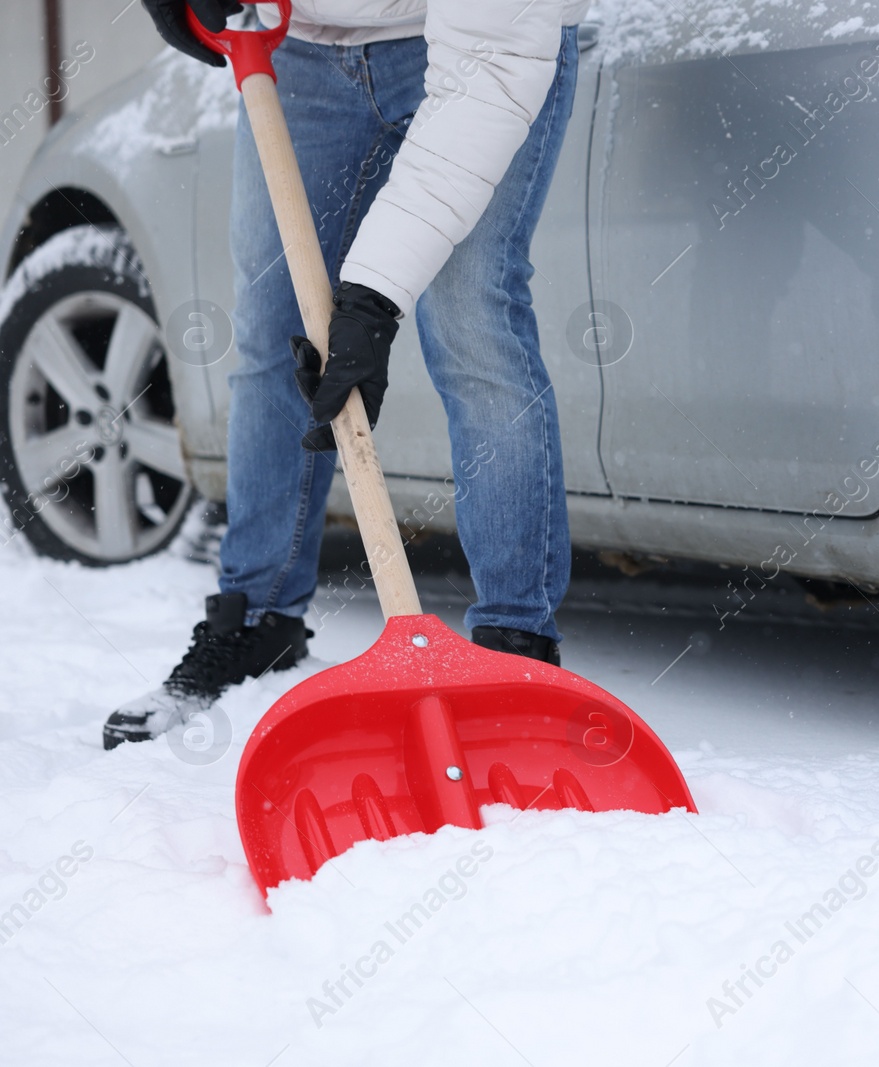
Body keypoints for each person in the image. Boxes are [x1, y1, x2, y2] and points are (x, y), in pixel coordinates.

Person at [104, 0, 585, 748]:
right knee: (273, 329)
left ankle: (514, 645)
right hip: (294, 49)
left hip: (480, 53)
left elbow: (493, 59)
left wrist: (372, 299)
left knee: (473, 323)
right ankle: (256, 619)